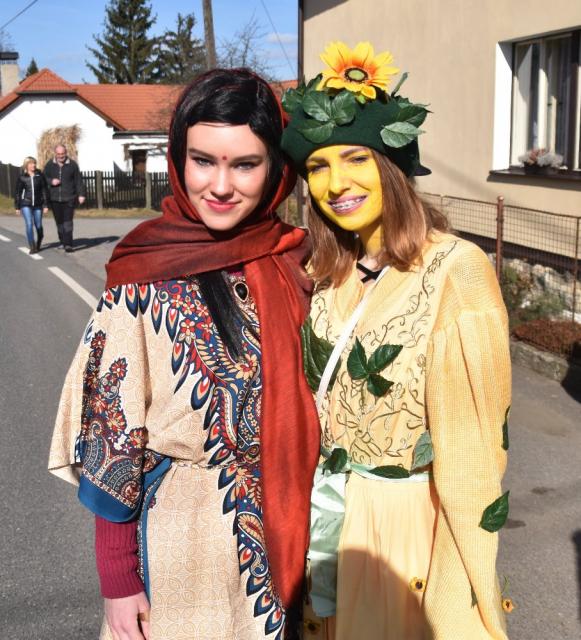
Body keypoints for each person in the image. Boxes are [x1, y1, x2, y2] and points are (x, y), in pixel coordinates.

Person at [48, 68, 321, 640]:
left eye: (244, 164)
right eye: (203, 161)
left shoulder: (296, 263)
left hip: (287, 539)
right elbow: (111, 435)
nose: (221, 185)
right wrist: (119, 579)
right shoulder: (142, 274)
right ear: (179, 158)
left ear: (275, 169)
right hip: (176, 544)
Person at [281, 41, 512, 639]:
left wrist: (458, 589)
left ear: (392, 165)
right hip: (327, 524)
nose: (335, 183)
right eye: (317, 167)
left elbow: (474, 453)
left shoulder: (455, 270)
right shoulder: (324, 273)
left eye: (355, 158)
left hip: (406, 536)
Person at [44, 144, 86, 252]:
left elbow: (78, 180)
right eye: (58, 154)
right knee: (59, 223)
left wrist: (81, 194)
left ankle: (68, 244)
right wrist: (51, 181)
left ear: (66, 153)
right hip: (54, 199)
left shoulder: (72, 165)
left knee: (68, 222)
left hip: (69, 198)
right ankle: (62, 241)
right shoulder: (50, 164)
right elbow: (44, 178)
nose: (61, 156)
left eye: (62, 153)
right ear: (55, 153)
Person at [14, 156, 49, 254]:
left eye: (34, 163)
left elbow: (44, 191)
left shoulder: (40, 176)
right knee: (29, 224)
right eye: (30, 163)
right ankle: (32, 246)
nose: (33, 165)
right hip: (26, 204)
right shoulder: (22, 177)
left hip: (38, 204)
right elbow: (18, 192)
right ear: (26, 165)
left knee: (38, 226)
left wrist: (45, 205)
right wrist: (17, 207)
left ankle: (39, 239)